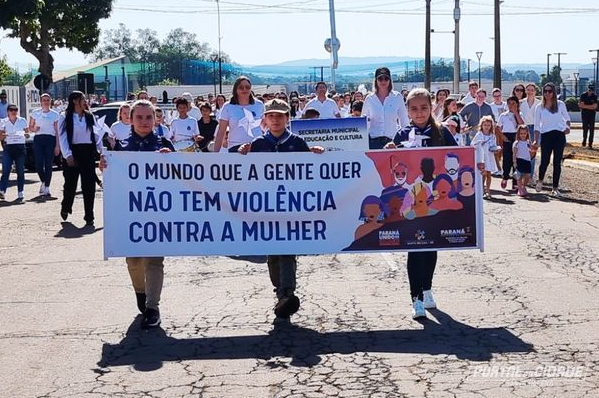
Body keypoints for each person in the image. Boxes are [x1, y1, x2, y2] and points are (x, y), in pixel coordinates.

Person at [238, 98, 323, 322]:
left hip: (290, 206)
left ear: (287, 118)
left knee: (287, 250)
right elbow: (242, 175)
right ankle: (280, 292)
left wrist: (317, 155)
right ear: (265, 119)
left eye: (280, 116)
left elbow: (312, 173)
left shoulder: (298, 142)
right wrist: (241, 155)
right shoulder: (257, 145)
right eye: (271, 116)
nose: (275, 119)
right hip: (265, 206)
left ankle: (288, 292)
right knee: (272, 254)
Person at [100, 100, 175, 328]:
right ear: (130, 119)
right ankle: (141, 294)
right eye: (139, 117)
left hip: (158, 210)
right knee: (133, 260)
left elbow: (183, 176)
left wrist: (171, 160)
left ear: (156, 120)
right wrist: (105, 165)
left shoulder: (165, 143)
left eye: (148, 117)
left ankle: (153, 307)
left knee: (154, 259)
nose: (144, 122)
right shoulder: (120, 147)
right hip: (130, 211)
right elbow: (113, 178)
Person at [384, 88, 457, 320]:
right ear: (407, 110)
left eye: (424, 107)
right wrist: (388, 152)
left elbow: (459, 157)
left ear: (431, 107)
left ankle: (427, 288)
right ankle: (415, 297)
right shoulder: (401, 134)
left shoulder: (442, 132)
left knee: (431, 246)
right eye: (414, 108)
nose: (419, 112)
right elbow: (391, 167)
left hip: (434, 199)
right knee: (415, 249)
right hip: (411, 202)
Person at [58, 91, 103, 225]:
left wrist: (101, 151)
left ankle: (89, 215)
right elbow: (62, 137)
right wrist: (68, 155)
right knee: (70, 184)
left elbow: (96, 135)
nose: (86, 101)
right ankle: (66, 207)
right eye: (83, 99)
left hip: (87, 152)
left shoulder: (90, 116)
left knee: (89, 185)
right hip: (73, 151)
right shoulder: (65, 117)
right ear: (75, 101)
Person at [534, 82, 571, 197]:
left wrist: (568, 127)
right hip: (546, 136)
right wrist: (536, 140)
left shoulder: (560, 104)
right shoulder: (539, 107)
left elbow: (567, 118)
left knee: (557, 162)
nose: (547, 94)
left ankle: (555, 187)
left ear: (554, 92)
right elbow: (536, 126)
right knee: (545, 160)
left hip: (559, 135)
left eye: (550, 91)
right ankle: (540, 180)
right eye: (545, 91)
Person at [362, 67, 410, 149]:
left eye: (386, 78)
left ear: (390, 80)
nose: (383, 81)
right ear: (376, 81)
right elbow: (363, 122)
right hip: (373, 142)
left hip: (393, 142)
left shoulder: (397, 97)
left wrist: (406, 139)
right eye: (380, 79)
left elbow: (404, 121)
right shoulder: (369, 99)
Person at [214, 76, 265, 153]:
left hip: (257, 146)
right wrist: (215, 155)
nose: (244, 89)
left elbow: (265, 127)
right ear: (236, 89)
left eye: (247, 87)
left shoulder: (259, 105)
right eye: (241, 87)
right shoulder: (228, 106)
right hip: (235, 147)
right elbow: (221, 132)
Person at [29, 93, 60, 196]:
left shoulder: (55, 114)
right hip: (38, 138)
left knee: (48, 164)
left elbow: (57, 131)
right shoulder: (35, 113)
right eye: (44, 100)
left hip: (50, 139)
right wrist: (34, 129)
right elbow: (31, 127)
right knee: (38, 164)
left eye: (47, 100)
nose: (46, 102)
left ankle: (47, 186)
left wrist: (57, 145)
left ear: (50, 101)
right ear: (41, 102)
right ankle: (43, 181)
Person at [0, 104, 29, 200]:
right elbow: (0, 136)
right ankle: (2, 191)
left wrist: (26, 134)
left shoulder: (22, 120)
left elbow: (27, 133)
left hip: (20, 147)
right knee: (6, 170)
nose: (14, 112)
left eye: (15, 110)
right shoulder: (3, 121)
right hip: (8, 148)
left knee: (20, 171)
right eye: (12, 110)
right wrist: (4, 135)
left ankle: (20, 191)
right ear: (8, 111)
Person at [497, 96, 524, 192]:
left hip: (516, 137)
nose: (511, 105)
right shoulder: (503, 115)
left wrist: (516, 113)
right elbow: (498, 127)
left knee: (516, 160)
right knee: (507, 159)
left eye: (513, 103)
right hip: (507, 137)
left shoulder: (519, 114)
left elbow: (522, 124)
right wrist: (502, 136)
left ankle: (515, 182)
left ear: (517, 104)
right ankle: (505, 176)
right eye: (509, 103)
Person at [471, 115, 500, 199]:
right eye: (485, 125)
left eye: (488, 125)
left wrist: (495, 149)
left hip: (489, 157)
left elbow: (494, 146)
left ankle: (488, 190)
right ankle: (481, 190)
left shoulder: (492, 136)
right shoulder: (479, 134)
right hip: (482, 156)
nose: (487, 127)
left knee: (488, 174)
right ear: (482, 125)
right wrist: (480, 144)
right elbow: (472, 144)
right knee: (483, 174)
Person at [520, 84, 541, 180]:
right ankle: (522, 174)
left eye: (532, 90)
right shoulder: (521, 103)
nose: (530, 92)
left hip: (535, 129)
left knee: (532, 152)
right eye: (528, 90)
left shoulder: (539, 103)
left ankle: (530, 176)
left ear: (535, 91)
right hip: (523, 128)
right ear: (525, 91)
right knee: (523, 151)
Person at [513, 125, 533, 197]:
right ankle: (520, 190)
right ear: (518, 134)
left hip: (527, 161)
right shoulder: (516, 143)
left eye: (524, 133)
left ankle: (523, 186)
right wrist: (514, 161)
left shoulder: (528, 142)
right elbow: (514, 153)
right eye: (521, 134)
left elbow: (531, 148)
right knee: (519, 176)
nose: (523, 135)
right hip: (519, 160)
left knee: (527, 175)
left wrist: (530, 139)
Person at [579, 83, 597, 149]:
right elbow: (580, 105)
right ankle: (584, 140)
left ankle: (590, 143)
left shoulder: (594, 96)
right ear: (587, 89)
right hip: (584, 115)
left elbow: (595, 106)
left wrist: (585, 106)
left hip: (592, 115)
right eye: (589, 90)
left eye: (591, 90)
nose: (590, 92)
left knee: (592, 129)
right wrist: (590, 107)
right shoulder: (583, 95)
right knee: (585, 128)